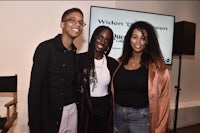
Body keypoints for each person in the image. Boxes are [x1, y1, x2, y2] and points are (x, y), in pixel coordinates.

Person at [28, 8, 86, 133]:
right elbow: (34, 90)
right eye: (72, 20)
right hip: (50, 116)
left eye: (81, 22)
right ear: (62, 24)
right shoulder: (45, 49)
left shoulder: (75, 54)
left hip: (72, 111)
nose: (77, 25)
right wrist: (34, 124)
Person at [112, 21, 171, 133]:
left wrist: (161, 128)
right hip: (117, 115)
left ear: (148, 41)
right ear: (129, 39)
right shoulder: (120, 62)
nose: (138, 41)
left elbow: (164, 102)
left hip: (141, 119)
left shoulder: (158, 69)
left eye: (143, 38)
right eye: (135, 37)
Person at [77, 25, 118, 133]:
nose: (102, 42)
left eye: (106, 40)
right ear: (94, 37)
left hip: (105, 109)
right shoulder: (80, 60)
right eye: (100, 37)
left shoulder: (113, 64)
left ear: (109, 44)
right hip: (84, 107)